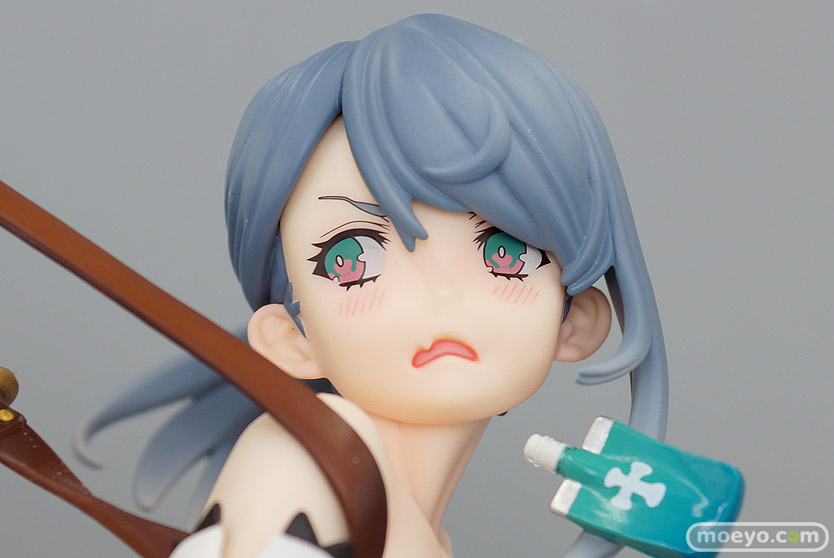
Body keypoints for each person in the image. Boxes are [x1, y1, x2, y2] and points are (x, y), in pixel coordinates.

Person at [77, 14, 667, 557]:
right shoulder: (307, 459)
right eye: (352, 259)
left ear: (576, 320)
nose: (441, 298)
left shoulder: (422, 533)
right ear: (291, 338)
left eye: (504, 252)